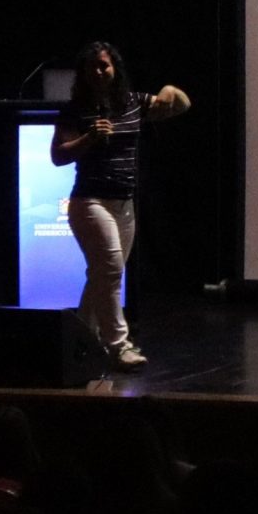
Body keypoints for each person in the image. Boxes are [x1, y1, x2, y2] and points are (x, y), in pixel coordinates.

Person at [49, 41, 190, 370]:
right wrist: (89, 139)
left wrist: (169, 90)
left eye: (104, 65)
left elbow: (182, 105)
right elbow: (58, 156)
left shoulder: (133, 102)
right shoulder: (74, 110)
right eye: (92, 67)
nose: (99, 72)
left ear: (115, 68)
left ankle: (81, 342)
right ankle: (119, 346)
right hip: (90, 202)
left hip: (124, 205)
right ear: (83, 73)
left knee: (102, 275)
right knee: (111, 270)